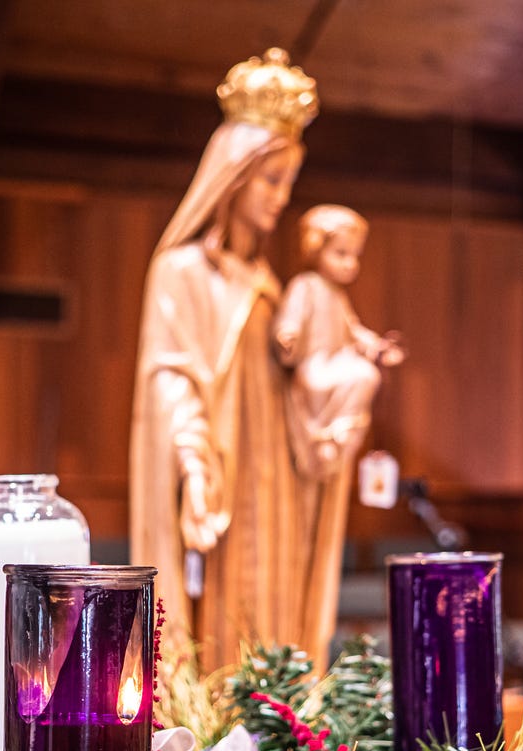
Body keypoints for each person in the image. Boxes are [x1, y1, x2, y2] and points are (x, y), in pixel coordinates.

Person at [129, 48, 322, 673]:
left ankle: (274, 724)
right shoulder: (180, 270)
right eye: (270, 180)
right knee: (217, 622)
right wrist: (191, 455)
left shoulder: (267, 281)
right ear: (232, 176)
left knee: (271, 614)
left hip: (272, 484)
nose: (280, 199)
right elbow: (168, 374)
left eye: (288, 184)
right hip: (216, 471)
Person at [274, 205, 405, 481]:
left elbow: (354, 331)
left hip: (336, 365)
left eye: (355, 256)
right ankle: (325, 439)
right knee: (352, 376)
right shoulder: (306, 286)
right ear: (316, 250)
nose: (350, 264)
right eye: (341, 254)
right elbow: (290, 319)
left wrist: (376, 347)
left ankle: (337, 438)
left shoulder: (338, 297)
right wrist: (287, 335)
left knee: (365, 375)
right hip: (316, 367)